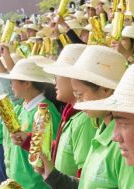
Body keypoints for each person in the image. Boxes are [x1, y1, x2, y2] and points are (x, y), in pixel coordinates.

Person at [38, 45, 134, 189]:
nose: (78, 104)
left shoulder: (124, 145)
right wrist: (53, 176)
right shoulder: (101, 130)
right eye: (75, 96)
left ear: (106, 89)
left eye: (80, 96)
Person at [0, 58, 61, 189]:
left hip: (36, 184)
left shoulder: (45, 111)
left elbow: (49, 155)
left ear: (27, 83)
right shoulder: (22, 107)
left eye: (12, 81)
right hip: (21, 181)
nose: (10, 85)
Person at [40, 44, 97, 178]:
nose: (54, 83)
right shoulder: (71, 114)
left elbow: (83, 176)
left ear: (73, 78)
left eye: (57, 76)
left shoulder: (84, 119)